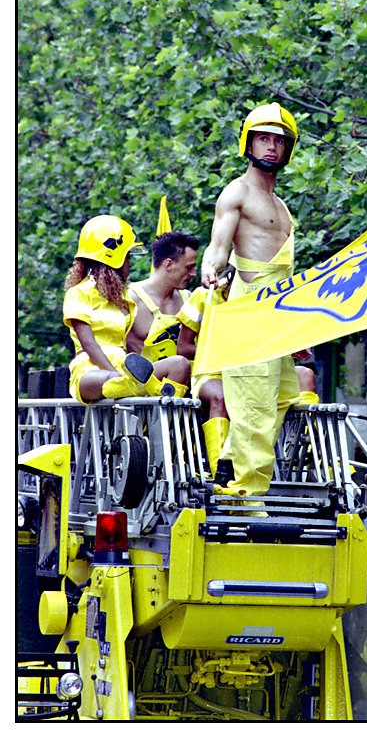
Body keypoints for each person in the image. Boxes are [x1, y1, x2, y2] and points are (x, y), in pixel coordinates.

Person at [200, 101, 308, 497]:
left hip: (278, 310)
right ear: (248, 143)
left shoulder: (282, 206)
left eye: (279, 141)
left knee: (282, 395)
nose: (272, 147)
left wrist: (296, 330)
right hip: (250, 308)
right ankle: (246, 490)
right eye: (263, 138)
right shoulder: (237, 191)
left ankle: (229, 460)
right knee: (252, 403)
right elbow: (217, 246)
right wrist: (211, 269)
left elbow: (286, 273)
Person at [179, 270, 318, 479]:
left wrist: (293, 348)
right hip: (212, 372)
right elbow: (183, 348)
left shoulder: (265, 298)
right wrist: (228, 352)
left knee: (305, 375)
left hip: (255, 372)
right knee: (222, 396)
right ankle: (222, 471)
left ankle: (309, 456)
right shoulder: (203, 296)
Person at [63, 215, 191, 403]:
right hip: (91, 371)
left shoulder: (123, 298)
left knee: (180, 365)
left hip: (126, 368)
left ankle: (155, 423)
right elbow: (89, 345)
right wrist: (119, 375)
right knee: (112, 380)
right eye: (127, 257)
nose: (130, 264)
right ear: (114, 258)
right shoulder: (78, 293)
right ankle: (156, 390)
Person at [126, 232, 200, 377]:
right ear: (169, 264)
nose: (194, 274)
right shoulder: (130, 300)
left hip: (187, 392)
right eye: (188, 267)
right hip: (144, 393)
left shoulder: (190, 300)